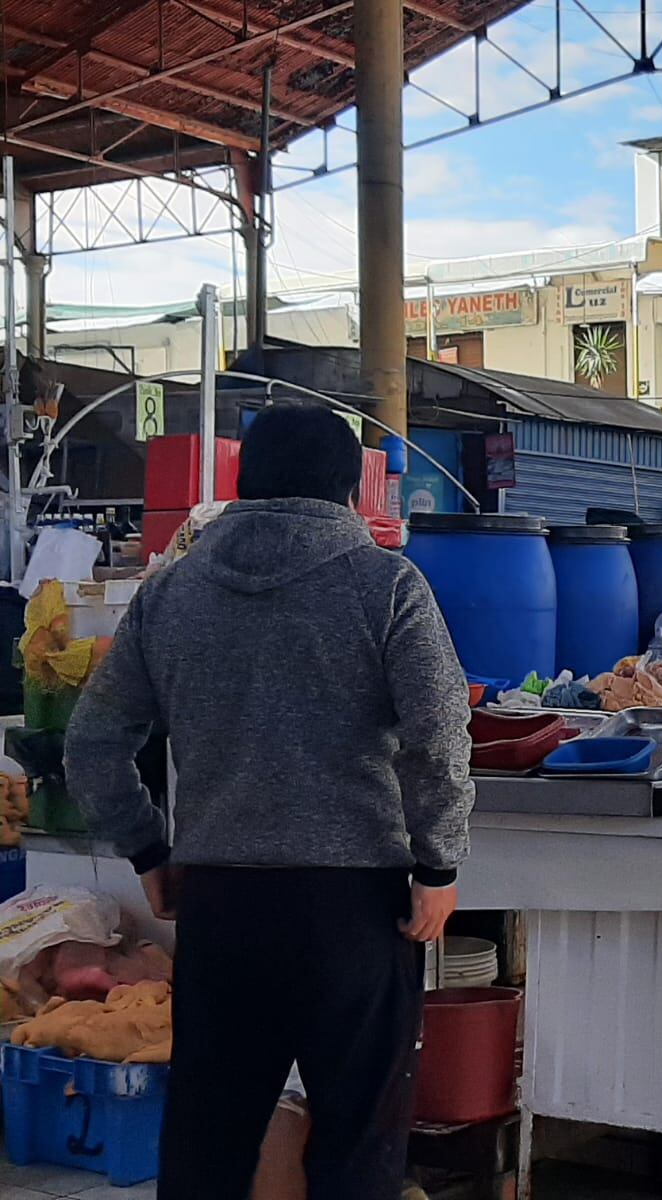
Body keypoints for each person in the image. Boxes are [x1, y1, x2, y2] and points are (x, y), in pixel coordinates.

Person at [64, 404, 474, 1200]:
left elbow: (93, 742)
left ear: (242, 485)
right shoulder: (388, 585)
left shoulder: (171, 593)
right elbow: (441, 734)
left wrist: (148, 849)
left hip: (222, 903)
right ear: (350, 491)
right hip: (353, 910)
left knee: (206, 1146)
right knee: (357, 1148)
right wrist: (438, 863)